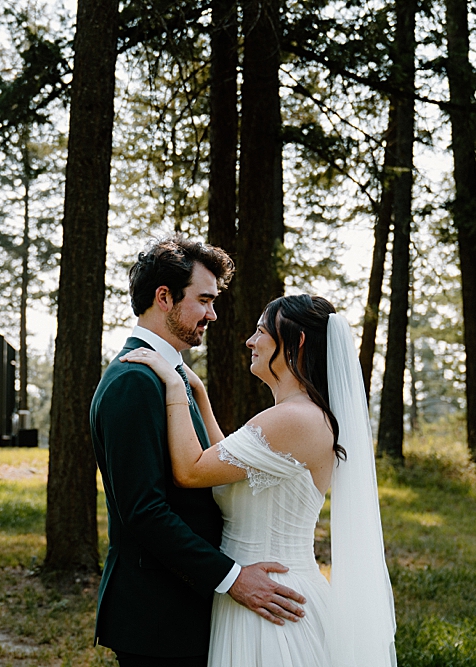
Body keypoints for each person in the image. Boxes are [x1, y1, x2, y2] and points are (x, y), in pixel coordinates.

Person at [122, 294, 398, 667]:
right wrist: (199, 395)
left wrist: (174, 387)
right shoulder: (292, 416)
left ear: (296, 341)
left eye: (261, 331)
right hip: (257, 592)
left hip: (270, 602)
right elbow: (229, 468)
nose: (251, 341)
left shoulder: (293, 419)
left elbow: (192, 471)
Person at [91, 236, 307, 667]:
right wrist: (234, 579)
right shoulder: (135, 380)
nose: (213, 313)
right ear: (164, 297)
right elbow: (145, 511)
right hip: (158, 617)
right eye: (204, 300)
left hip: (183, 607)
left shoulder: (172, 375)